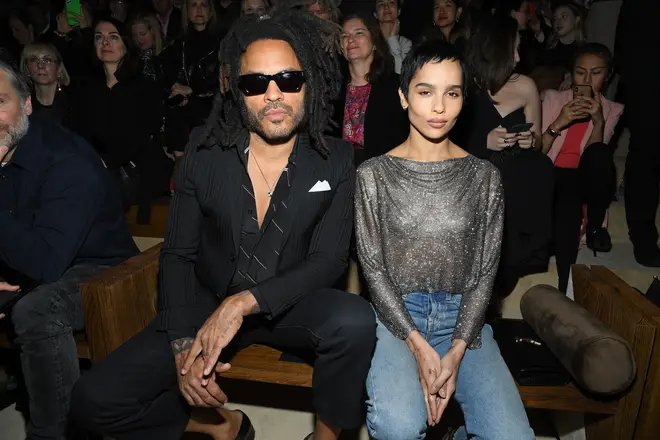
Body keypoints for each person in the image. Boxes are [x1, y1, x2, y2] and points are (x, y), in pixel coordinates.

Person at [71, 9, 376, 440]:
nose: (274, 95)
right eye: (256, 83)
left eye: (289, 79)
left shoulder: (339, 160)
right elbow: (177, 253)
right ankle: (222, 425)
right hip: (206, 301)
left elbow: (328, 261)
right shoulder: (205, 151)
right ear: (236, 90)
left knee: (356, 320)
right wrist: (182, 348)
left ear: (310, 83)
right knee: (92, 401)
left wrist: (242, 304)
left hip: (288, 301)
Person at [356, 39, 535, 440]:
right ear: (404, 98)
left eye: (451, 93)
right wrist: (419, 346)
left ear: (463, 100)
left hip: (464, 320)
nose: (439, 107)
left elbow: (484, 274)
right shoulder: (373, 175)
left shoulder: (485, 177)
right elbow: (374, 270)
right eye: (425, 92)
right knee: (397, 426)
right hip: (397, 317)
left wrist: (455, 351)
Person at [0, 60, 138, 440]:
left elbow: (45, 263)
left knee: (39, 310)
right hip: (32, 261)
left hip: (103, 271)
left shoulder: (67, 159)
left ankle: (55, 433)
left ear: (26, 104)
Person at [542, 43, 624, 291]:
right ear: (572, 73)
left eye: (596, 73)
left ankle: (596, 224)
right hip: (553, 174)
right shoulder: (553, 98)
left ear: (607, 76)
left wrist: (598, 121)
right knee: (567, 196)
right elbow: (539, 153)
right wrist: (560, 121)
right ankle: (564, 285)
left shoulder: (612, 109)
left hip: (586, 177)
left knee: (599, 154)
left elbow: (595, 158)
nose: (587, 79)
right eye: (581, 72)